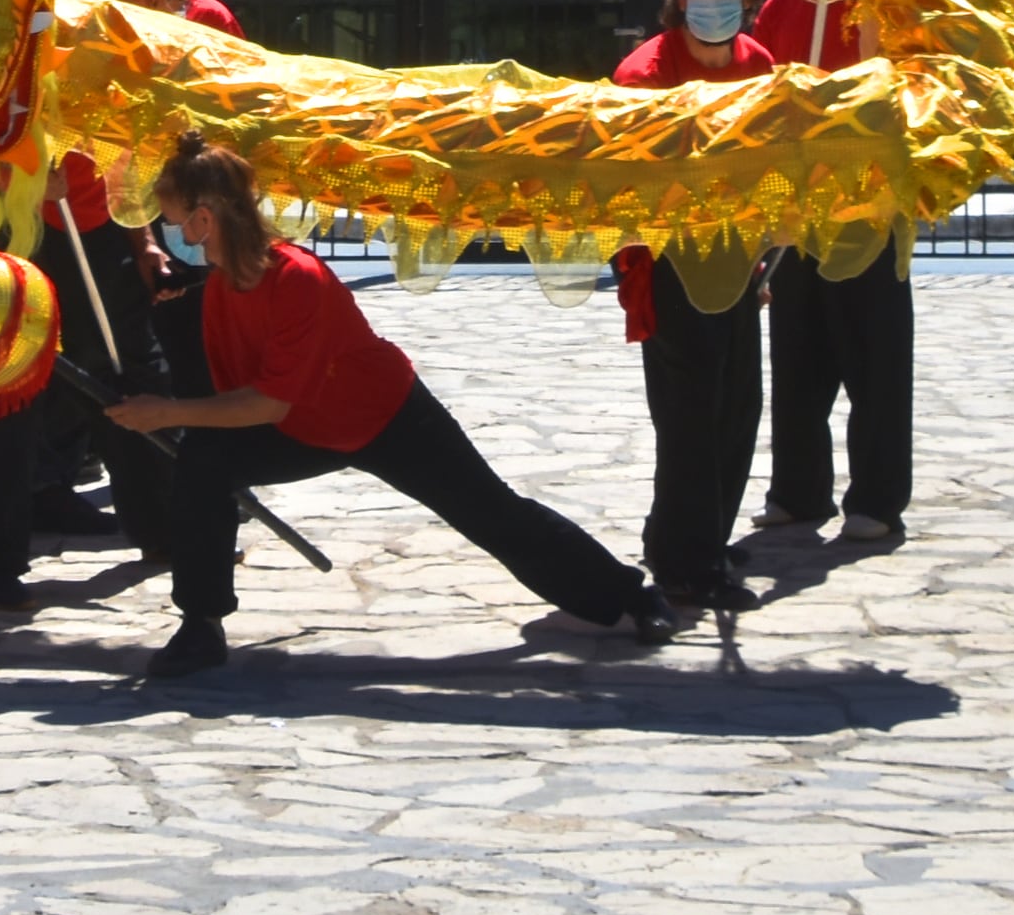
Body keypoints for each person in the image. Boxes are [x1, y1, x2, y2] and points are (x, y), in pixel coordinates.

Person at [100, 139, 674, 681]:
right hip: (302, 426)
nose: (171, 233)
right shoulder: (222, 288)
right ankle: (200, 626)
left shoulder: (297, 278)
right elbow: (233, 396)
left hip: (384, 415)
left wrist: (167, 412)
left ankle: (631, 595)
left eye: (173, 221)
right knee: (205, 461)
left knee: (492, 512)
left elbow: (266, 402)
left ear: (206, 217)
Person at [0, 0, 228, 610]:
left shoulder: (154, 44)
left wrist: (143, 245)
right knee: (15, 388)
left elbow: (128, 159)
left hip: (98, 226)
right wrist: (24, 169)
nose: (176, 14)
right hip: (24, 227)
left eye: (184, 3)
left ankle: (164, 527)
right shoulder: (60, 25)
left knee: (130, 374)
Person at [610, 0, 775, 613]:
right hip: (671, 260)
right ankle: (687, 564)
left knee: (738, 405)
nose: (711, 1)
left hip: (740, 257)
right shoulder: (645, 73)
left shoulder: (760, 62)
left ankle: (697, 534)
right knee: (688, 412)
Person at [752, 0, 914, 551]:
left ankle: (876, 499)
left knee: (873, 355)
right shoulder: (775, 13)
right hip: (797, 207)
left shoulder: (874, 0)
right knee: (797, 357)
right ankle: (797, 489)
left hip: (866, 201)